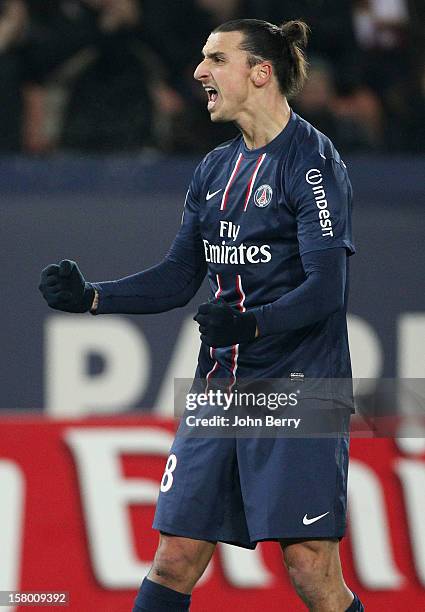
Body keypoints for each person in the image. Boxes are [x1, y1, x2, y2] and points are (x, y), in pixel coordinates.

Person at [39, 19, 364, 612]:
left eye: (216, 59)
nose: (199, 72)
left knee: (310, 569)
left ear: (260, 73)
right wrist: (92, 297)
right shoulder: (214, 168)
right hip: (221, 388)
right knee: (175, 555)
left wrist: (252, 323)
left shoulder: (313, 163)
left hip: (298, 386)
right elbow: (179, 276)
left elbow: (326, 288)